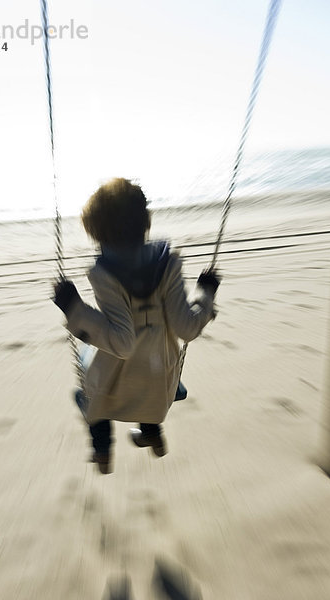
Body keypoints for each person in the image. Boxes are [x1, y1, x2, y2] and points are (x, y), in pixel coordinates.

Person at [53, 178, 220, 474]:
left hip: (118, 372)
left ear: (95, 230)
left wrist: (74, 308)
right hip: (158, 371)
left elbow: (122, 343)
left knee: (93, 396)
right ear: (144, 222)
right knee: (153, 388)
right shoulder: (167, 263)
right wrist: (205, 292)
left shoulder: (104, 273)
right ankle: (152, 433)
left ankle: (103, 451)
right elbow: (187, 328)